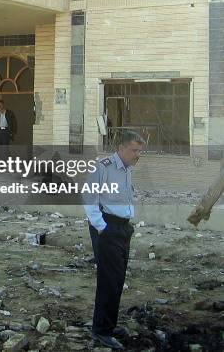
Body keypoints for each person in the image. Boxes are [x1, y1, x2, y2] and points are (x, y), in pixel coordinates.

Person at [83, 130, 146, 350]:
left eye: (140, 151)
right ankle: (101, 331)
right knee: (109, 280)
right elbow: (89, 197)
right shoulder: (104, 167)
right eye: (133, 150)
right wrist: (102, 228)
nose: (137, 154)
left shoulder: (128, 168)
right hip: (107, 227)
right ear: (121, 148)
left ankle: (108, 325)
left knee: (117, 280)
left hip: (122, 228)